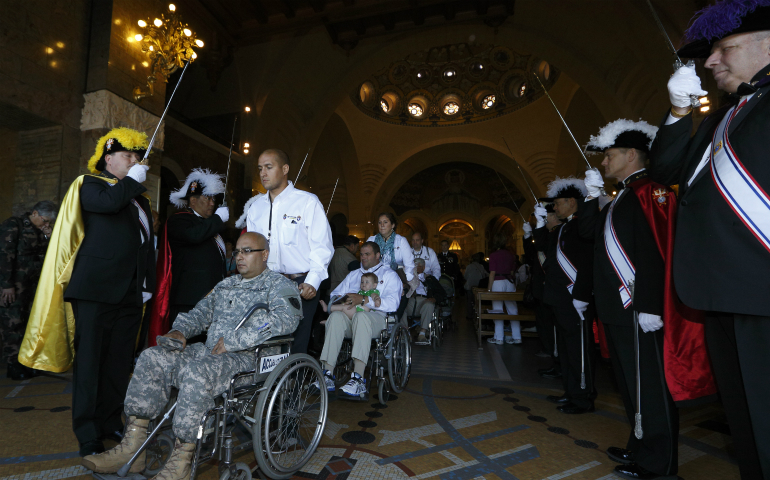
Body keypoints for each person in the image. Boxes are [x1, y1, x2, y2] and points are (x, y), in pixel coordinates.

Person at [648, 3, 770, 477]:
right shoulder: (721, 118)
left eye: (726, 48)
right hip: (720, 291)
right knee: (747, 425)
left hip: (760, 286)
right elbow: (667, 171)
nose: (711, 61)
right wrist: (679, 112)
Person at [80, 232, 302, 479]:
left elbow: (285, 321)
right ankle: (132, 447)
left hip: (250, 358)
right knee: (152, 357)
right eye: (237, 251)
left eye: (247, 251)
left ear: (265, 254)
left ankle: (182, 460)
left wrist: (234, 341)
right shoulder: (226, 285)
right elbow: (199, 314)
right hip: (211, 351)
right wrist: (180, 330)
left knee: (198, 372)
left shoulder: (280, 285)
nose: (240, 256)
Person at [582, 120, 717, 480]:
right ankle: (640, 445)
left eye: (609, 156)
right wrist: (594, 198)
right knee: (630, 385)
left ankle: (660, 465)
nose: (604, 163)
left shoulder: (651, 192)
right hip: (617, 308)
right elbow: (590, 239)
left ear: (630, 155)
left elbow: (658, 250)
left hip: (640, 308)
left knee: (651, 389)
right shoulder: (621, 197)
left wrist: (651, 304)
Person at [19, 128, 156, 456]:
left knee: (119, 364)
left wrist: (146, 282)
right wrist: (132, 181)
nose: (135, 160)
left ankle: (110, 421)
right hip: (95, 290)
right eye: (128, 156)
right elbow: (107, 204)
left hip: (130, 293)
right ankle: (88, 432)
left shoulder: (138, 199)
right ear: (108, 158)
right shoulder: (90, 184)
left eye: (137, 157)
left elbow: (145, 245)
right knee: (91, 364)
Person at [246, 149, 333, 355]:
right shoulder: (256, 207)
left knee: (296, 343)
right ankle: (268, 386)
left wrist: (313, 281)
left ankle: (294, 385)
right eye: (260, 169)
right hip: (265, 283)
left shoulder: (307, 202)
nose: (263, 173)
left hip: (300, 284)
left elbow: (322, 246)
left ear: (285, 169)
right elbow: (251, 249)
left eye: (269, 167)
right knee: (264, 340)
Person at [533, 177, 595, 414]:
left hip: (574, 298)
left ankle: (583, 397)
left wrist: (580, 294)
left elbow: (586, 263)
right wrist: (539, 224)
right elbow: (543, 247)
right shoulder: (565, 227)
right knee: (569, 350)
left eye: (558, 203)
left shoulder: (581, 226)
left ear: (571, 202)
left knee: (579, 349)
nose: (555, 208)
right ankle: (571, 392)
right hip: (560, 298)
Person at [149, 169, 229, 345]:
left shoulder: (209, 226)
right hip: (189, 299)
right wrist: (217, 219)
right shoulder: (179, 220)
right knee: (186, 346)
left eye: (213, 199)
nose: (212, 203)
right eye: (207, 198)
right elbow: (195, 235)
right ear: (192, 200)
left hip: (210, 299)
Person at [313, 241, 402, 399]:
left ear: (377, 256)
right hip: (350, 316)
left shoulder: (389, 275)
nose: (363, 257)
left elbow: (394, 304)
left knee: (361, 316)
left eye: (367, 254)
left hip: (376, 318)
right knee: (335, 317)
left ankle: (358, 378)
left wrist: (364, 300)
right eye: (361, 254)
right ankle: (327, 374)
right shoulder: (354, 275)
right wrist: (343, 300)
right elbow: (335, 294)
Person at [0, 200, 57, 380]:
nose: (46, 224)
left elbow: (49, 256)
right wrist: (6, 285)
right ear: (34, 214)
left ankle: (26, 362)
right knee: (13, 323)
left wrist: (49, 236)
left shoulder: (42, 231)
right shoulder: (14, 225)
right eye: (45, 220)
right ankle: (13, 365)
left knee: (28, 324)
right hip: (14, 285)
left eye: (50, 222)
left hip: (32, 286)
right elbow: (4, 255)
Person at [524, 207, 563, 373]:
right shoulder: (546, 234)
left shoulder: (555, 234)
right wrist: (527, 237)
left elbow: (542, 247)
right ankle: (548, 348)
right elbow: (532, 254)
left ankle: (553, 351)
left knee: (551, 322)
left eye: (546, 218)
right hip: (540, 286)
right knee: (542, 320)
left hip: (551, 284)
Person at [486, 233, 521, 345]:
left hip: (498, 281)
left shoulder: (493, 255)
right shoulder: (511, 255)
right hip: (509, 281)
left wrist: (489, 289)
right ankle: (517, 337)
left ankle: (499, 338)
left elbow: (492, 273)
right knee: (513, 310)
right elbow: (512, 271)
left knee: (497, 310)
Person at [367, 212, 415, 285]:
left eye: (385, 222)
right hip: (374, 279)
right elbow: (365, 261)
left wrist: (404, 281)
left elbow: (409, 264)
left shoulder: (401, 241)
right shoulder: (371, 240)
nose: (382, 225)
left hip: (396, 279)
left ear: (392, 225)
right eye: (379, 223)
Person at [400, 258, 436, 345]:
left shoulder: (429, 278)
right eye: (414, 266)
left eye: (418, 266)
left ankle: (422, 333)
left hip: (424, 300)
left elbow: (441, 293)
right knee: (400, 305)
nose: (415, 268)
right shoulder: (407, 277)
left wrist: (434, 298)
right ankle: (405, 332)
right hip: (410, 300)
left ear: (423, 268)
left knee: (429, 305)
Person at [463, 252, 488, 319]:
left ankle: (469, 315)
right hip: (479, 286)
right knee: (478, 301)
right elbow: (486, 275)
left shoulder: (468, 266)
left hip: (470, 286)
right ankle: (478, 315)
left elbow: (465, 276)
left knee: (469, 301)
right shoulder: (481, 266)